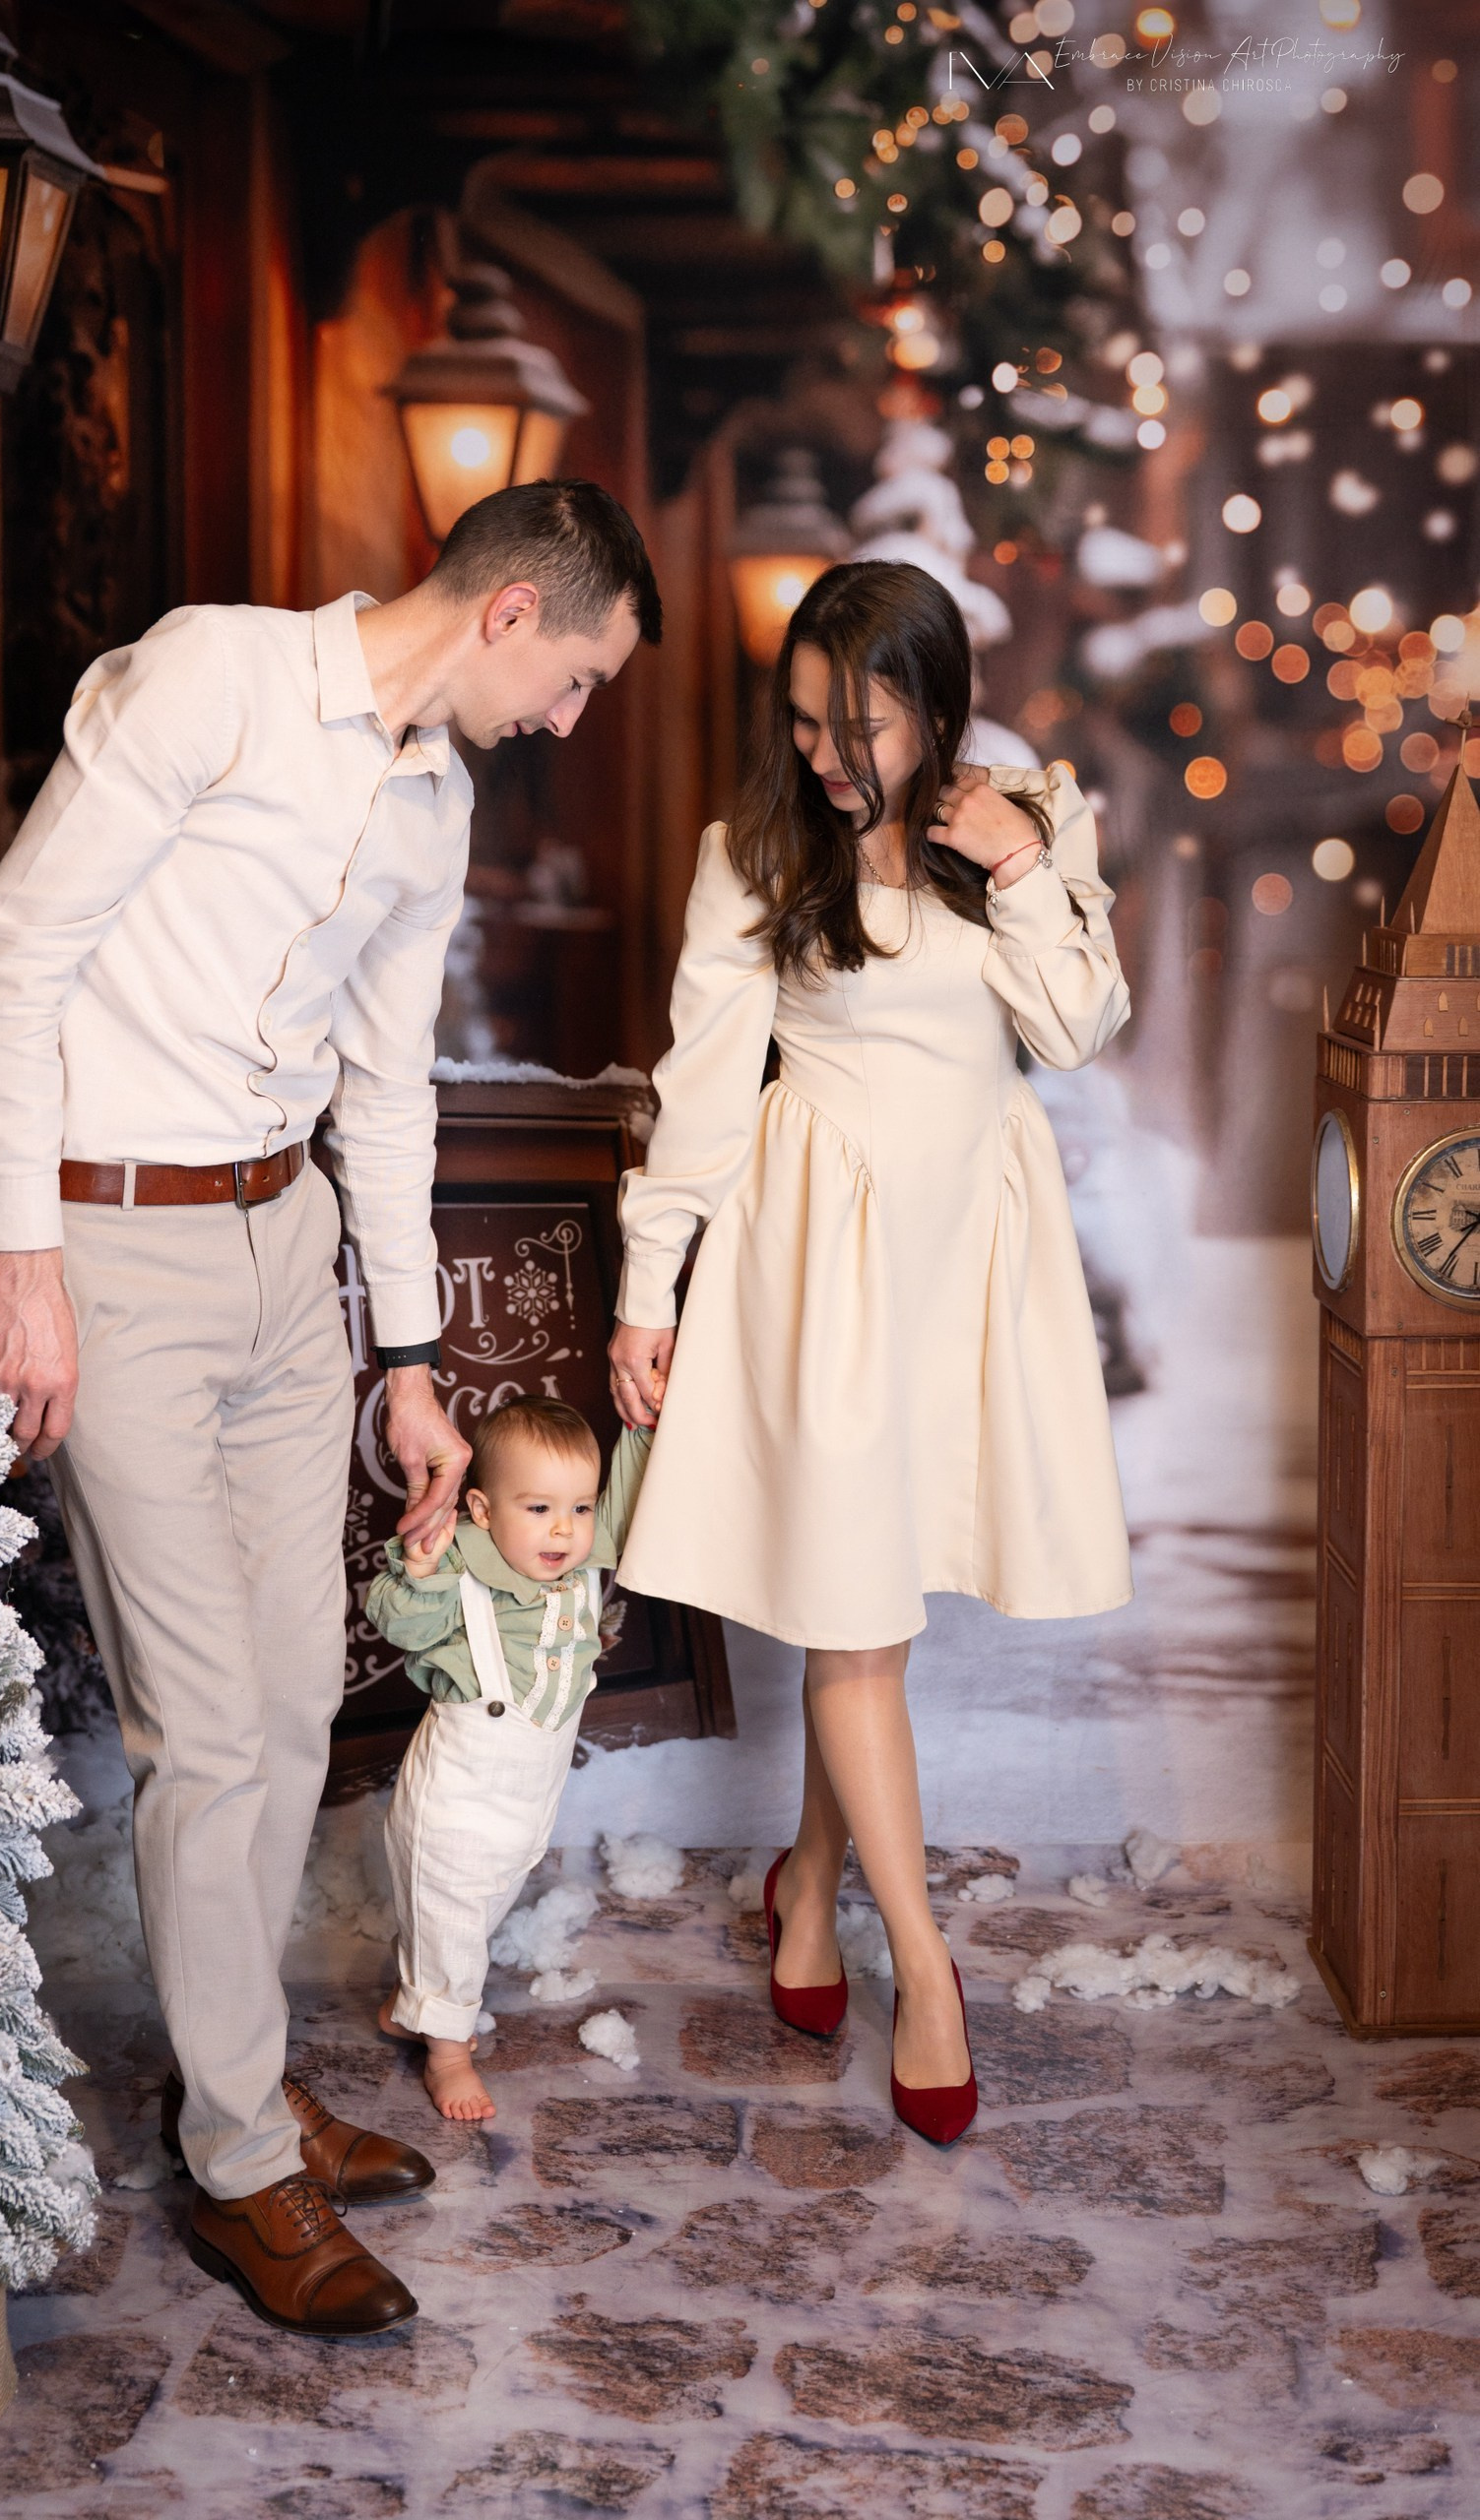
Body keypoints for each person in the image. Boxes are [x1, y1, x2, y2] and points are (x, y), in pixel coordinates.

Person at [0, 481, 662, 2336]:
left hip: (288, 1254)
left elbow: (388, 1087)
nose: (565, 720)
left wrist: (409, 1360)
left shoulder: (435, 800)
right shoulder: (216, 677)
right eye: (576, 679)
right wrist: (25, 1266)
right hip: (115, 1245)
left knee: (287, 1710)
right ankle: (237, 2166)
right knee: (207, 1733)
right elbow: (15, 954)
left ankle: (242, 2090)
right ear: (509, 612)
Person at [607, 560, 1130, 2149]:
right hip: (821, 1266)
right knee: (854, 1626)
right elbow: (702, 1088)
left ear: (938, 709)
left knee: (872, 1615)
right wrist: (649, 1288)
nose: (827, 756)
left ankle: (808, 1884)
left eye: (862, 726)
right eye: (803, 722)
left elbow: (1076, 1028)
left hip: (966, 1261)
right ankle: (924, 1968)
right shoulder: (752, 857)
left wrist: (1019, 864)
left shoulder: (1026, 825)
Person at [365, 1398, 651, 2123]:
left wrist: (643, 1429)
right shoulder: (457, 1564)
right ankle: (447, 2053)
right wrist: (422, 1569)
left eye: (578, 1508)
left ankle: (410, 2005)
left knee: (476, 1913)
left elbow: (628, 1502)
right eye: (539, 1508)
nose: (563, 1528)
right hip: (455, 1800)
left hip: (525, 1802)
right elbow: (397, 1621)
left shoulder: (581, 1560)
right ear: (482, 1510)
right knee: (452, 1920)